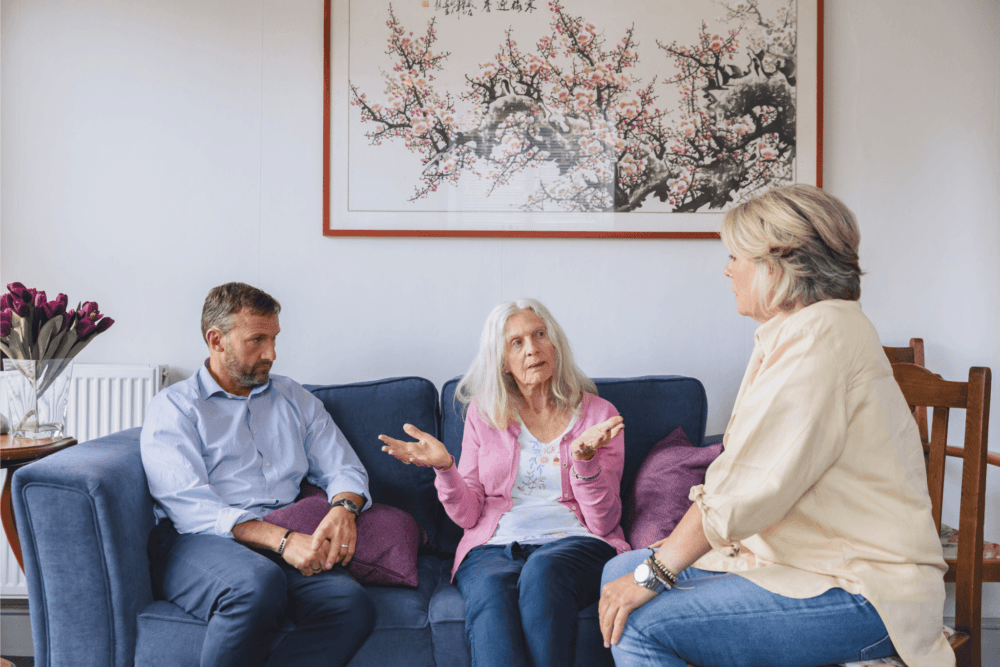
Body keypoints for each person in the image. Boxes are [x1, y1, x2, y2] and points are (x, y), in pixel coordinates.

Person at [599, 184, 952, 667]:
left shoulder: (820, 337)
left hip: (866, 591)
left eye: (734, 256)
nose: (727, 269)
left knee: (639, 619)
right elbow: (769, 478)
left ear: (777, 261)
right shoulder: (802, 331)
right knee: (619, 571)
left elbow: (750, 484)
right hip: (805, 567)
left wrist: (659, 571)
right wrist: (667, 559)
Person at [379, 298, 627, 667]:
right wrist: (446, 468)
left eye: (540, 335)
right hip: (493, 546)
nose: (532, 349)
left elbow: (603, 522)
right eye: (517, 343)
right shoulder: (484, 415)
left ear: (555, 343)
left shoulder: (598, 415)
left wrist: (585, 461)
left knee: (544, 571)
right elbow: (467, 516)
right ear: (503, 362)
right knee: (492, 591)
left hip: (577, 542)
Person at [140, 282, 376, 667]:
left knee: (351, 605)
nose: (272, 353)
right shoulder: (175, 408)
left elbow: (343, 467)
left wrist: (343, 509)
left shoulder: (292, 396)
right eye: (257, 340)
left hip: (284, 531)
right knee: (256, 585)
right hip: (199, 538)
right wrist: (283, 542)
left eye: (275, 338)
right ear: (216, 340)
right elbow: (189, 506)